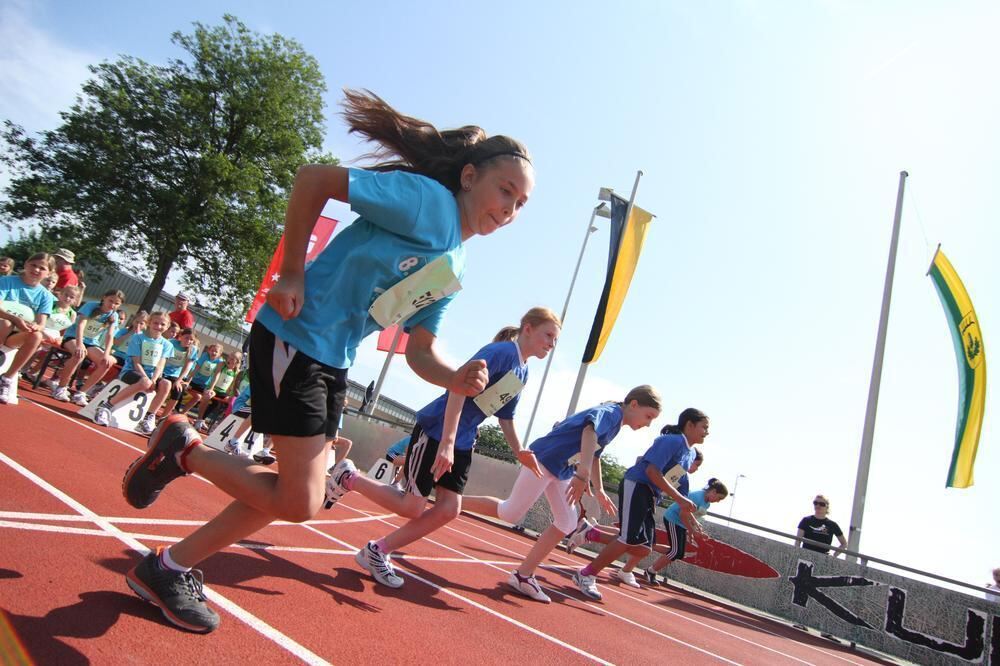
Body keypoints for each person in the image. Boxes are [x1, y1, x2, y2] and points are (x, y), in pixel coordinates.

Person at [120, 88, 534, 633]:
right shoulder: (426, 203)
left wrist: (454, 375)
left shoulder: (455, 261)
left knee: (293, 495)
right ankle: (185, 452)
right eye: (505, 191)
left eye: (520, 205)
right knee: (300, 499)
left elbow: (420, 348)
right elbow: (314, 178)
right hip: (296, 337)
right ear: (469, 177)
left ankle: (168, 567)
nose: (509, 210)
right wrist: (292, 270)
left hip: (331, 361)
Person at [324, 309, 560, 590]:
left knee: (449, 509)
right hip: (438, 431)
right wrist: (447, 441)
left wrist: (519, 449)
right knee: (412, 506)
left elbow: (505, 416)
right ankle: (348, 477)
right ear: (528, 328)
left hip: (463, 440)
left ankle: (377, 551)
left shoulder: (522, 370)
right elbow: (458, 387)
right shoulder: (501, 353)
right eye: (548, 335)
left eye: (555, 340)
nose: (551, 344)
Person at [461, 386, 662, 602]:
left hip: (561, 469)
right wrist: (582, 474)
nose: (648, 423)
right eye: (648, 416)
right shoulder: (612, 413)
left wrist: (599, 488)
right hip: (544, 459)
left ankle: (523, 575)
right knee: (510, 512)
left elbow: (594, 455)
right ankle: (452, 503)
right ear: (633, 404)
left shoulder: (616, 424)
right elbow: (589, 431)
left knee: (567, 521)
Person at [568, 409, 710, 599]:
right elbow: (652, 471)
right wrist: (678, 498)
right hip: (637, 485)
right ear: (690, 425)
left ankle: (591, 532)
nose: (707, 432)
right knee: (627, 538)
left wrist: (690, 520)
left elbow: (677, 482)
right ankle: (586, 574)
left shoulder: (690, 454)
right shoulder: (671, 441)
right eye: (704, 427)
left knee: (643, 547)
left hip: (650, 495)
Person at [92, 311, 174, 435]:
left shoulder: (167, 345)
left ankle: (148, 417)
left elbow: (160, 365)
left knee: (166, 384)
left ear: (167, 327)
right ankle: (106, 406)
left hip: (152, 377)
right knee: (145, 382)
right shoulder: (138, 337)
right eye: (155, 323)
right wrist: (147, 378)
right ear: (149, 323)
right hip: (131, 372)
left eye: (162, 324)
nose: (158, 326)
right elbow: (136, 363)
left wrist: (154, 379)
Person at [642, 478, 728, 586]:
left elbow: (691, 514)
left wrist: (696, 526)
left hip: (681, 523)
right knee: (675, 551)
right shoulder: (697, 496)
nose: (718, 501)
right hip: (673, 519)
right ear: (714, 492)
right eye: (719, 498)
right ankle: (651, 571)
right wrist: (692, 531)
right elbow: (682, 514)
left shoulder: (707, 504)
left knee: (679, 553)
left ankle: (648, 546)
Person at [52, 290, 124, 406]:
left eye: (116, 303)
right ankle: (61, 388)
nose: (112, 305)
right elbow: (81, 325)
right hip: (73, 337)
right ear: (104, 297)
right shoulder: (91, 305)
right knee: (79, 354)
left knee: (106, 363)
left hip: (91, 343)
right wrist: (79, 344)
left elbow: (110, 336)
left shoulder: (114, 315)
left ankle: (81, 393)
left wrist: (106, 354)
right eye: (110, 301)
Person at [0, 253, 55, 404]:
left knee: (37, 336)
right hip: (3, 324)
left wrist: (36, 326)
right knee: (5, 323)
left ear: (48, 273)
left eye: (42, 268)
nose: (36, 270)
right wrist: (16, 319)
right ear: (26, 264)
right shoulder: (6, 281)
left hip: (16, 335)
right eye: (33, 265)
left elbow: (41, 323)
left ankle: (6, 378)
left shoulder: (46, 296)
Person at [159, 328, 199, 417]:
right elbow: (162, 358)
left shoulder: (193, 350)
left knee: (178, 390)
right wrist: (160, 372)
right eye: (186, 338)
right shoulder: (171, 343)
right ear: (180, 337)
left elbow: (187, 367)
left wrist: (179, 380)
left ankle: (164, 416)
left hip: (175, 375)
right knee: (159, 385)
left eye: (191, 339)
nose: (188, 341)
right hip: (162, 370)